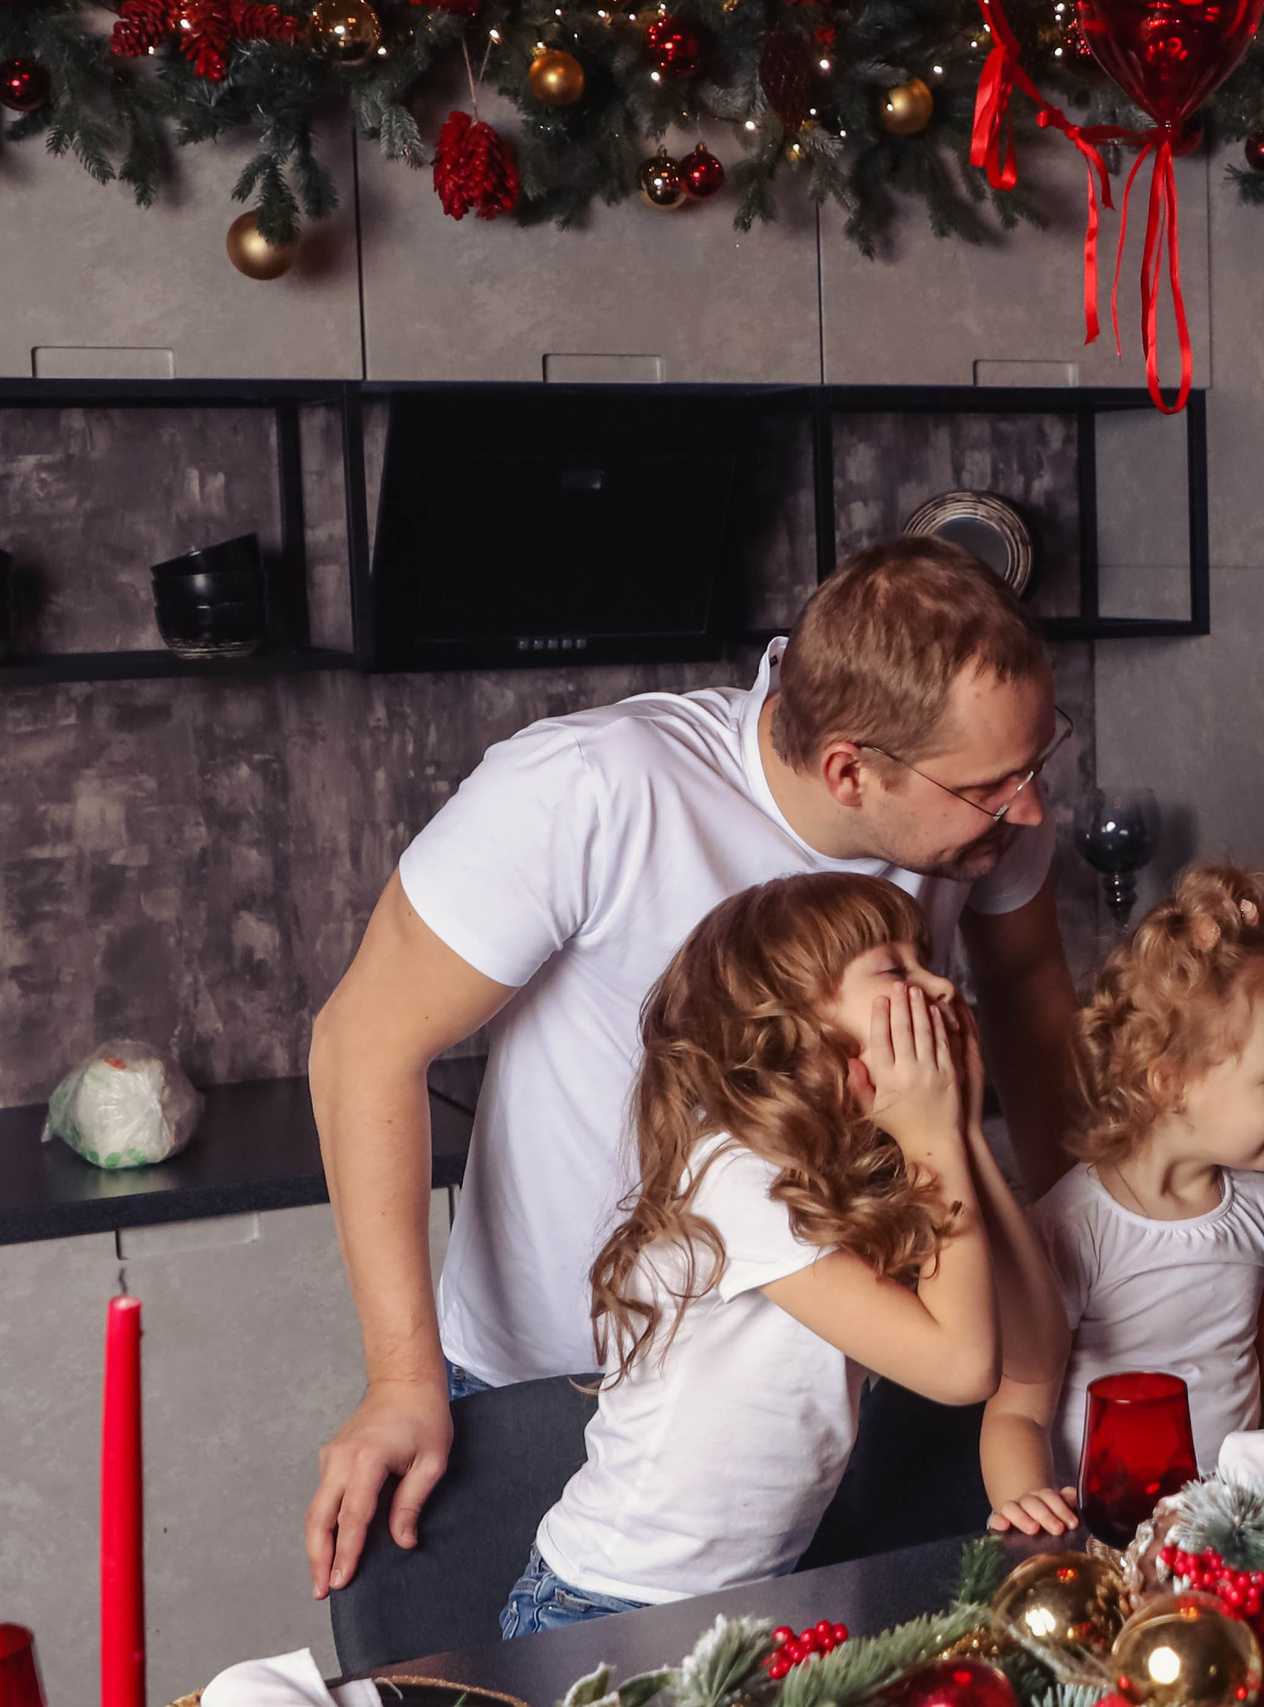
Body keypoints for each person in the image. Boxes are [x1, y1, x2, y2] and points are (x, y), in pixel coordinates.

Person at [304, 538, 1083, 1597]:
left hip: (840, 1375)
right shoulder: (590, 789)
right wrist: (401, 1379)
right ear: (852, 768)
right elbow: (361, 1046)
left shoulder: (986, 819)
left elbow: (1031, 995)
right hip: (552, 1371)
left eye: (1038, 763)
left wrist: (1091, 1246)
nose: (1030, 808)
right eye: (996, 785)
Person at [501, 872, 1057, 1633]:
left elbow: (1034, 1348)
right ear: (789, 1022)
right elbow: (961, 1370)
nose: (938, 986)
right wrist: (934, 1138)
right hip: (606, 1609)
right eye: (895, 969)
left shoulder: (868, 1165)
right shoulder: (737, 1177)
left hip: (751, 1607)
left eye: (927, 959)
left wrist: (958, 1130)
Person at [981, 866, 1264, 1535]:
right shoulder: (1071, 1229)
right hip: (1108, 1531)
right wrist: (1030, 1511)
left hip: (1235, 1527)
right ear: (1172, 1082)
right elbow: (1020, 1409)